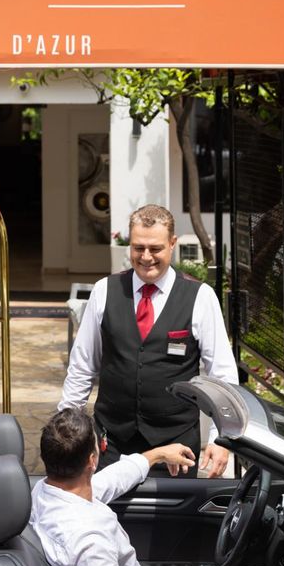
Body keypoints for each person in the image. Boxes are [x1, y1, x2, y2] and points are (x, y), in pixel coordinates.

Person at [61, 204, 239, 478]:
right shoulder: (104, 291)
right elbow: (82, 367)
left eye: (155, 248)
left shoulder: (200, 297)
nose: (146, 257)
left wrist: (220, 438)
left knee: (175, 508)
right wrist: (66, 430)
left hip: (177, 447)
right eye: (138, 248)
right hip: (113, 443)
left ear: (172, 244)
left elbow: (222, 374)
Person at [29, 408, 196, 566]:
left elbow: (112, 479)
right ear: (92, 460)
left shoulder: (45, 492)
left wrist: (158, 455)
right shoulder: (90, 541)